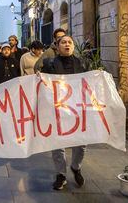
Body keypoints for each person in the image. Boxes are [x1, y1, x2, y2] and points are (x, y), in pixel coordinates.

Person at [40, 35, 87, 190]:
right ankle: (61, 174)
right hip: (57, 109)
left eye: (70, 42)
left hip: (77, 109)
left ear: (73, 46)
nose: (67, 44)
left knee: (81, 143)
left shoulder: (82, 63)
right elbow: (42, 84)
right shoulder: (49, 63)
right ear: (57, 46)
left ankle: (75, 167)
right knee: (58, 144)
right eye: (63, 42)